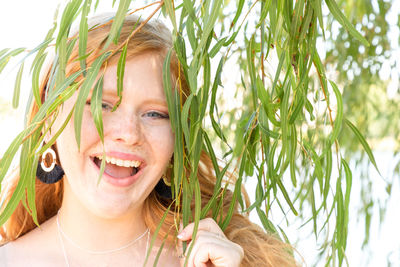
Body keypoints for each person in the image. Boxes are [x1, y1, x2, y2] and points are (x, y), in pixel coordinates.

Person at [0, 14, 299, 267]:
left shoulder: (221, 259)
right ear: (49, 120)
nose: (129, 133)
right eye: (102, 105)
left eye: (156, 113)